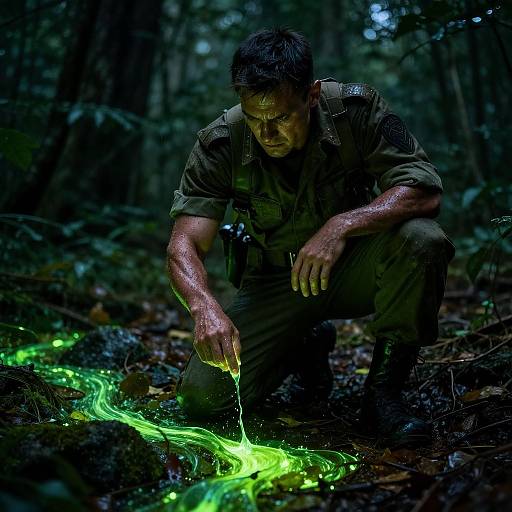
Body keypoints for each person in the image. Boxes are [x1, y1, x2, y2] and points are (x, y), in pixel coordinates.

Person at [167, 28, 455, 445]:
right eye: (255, 119)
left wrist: (342, 225)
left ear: (312, 95)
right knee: (202, 399)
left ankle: (383, 395)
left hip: (351, 267)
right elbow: (184, 244)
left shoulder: (355, 111)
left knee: (422, 239)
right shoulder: (221, 142)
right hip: (274, 282)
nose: (268, 135)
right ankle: (306, 344)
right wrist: (203, 306)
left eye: (282, 118)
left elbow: (424, 190)